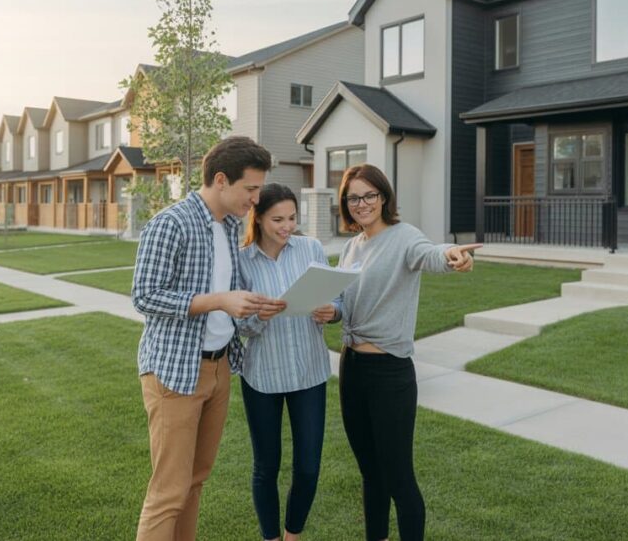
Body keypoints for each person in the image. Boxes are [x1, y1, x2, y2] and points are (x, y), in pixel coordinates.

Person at [132, 136, 286, 541]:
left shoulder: (231, 227)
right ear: (221, 180)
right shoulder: (171, 223)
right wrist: (219, 300)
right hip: (175, 373)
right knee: (168, 490)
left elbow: (229, 296)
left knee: (196, 480)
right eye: (250, 189)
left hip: (219, 370)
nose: (256, 199)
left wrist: (253, 308)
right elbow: (144, 296)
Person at [330, 164, 479, 541]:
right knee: (370, 473)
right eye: (353, 198)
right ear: (345, 204)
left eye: (369, 195)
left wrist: (453, 255)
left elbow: (430, 254)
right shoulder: (352, 246)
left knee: (398, 477)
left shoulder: (403, 236)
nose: (362, 203)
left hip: (389, 373)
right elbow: (345, 303)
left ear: (383, 197)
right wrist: (329, 310)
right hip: (352, 368)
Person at [236, 183, 339, 541]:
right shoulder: (243, 260)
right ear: (259, 218)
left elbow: (335, 299)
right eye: (278, 219)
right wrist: (259, 316)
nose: (287, 226)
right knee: (266, 467)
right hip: (263, 375)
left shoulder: (310, 248)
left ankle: (292, 535)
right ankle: (271, 538)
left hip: (309, 373)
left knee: (308, 467)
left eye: (292, 218)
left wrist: (331, 311)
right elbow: (239, 324)